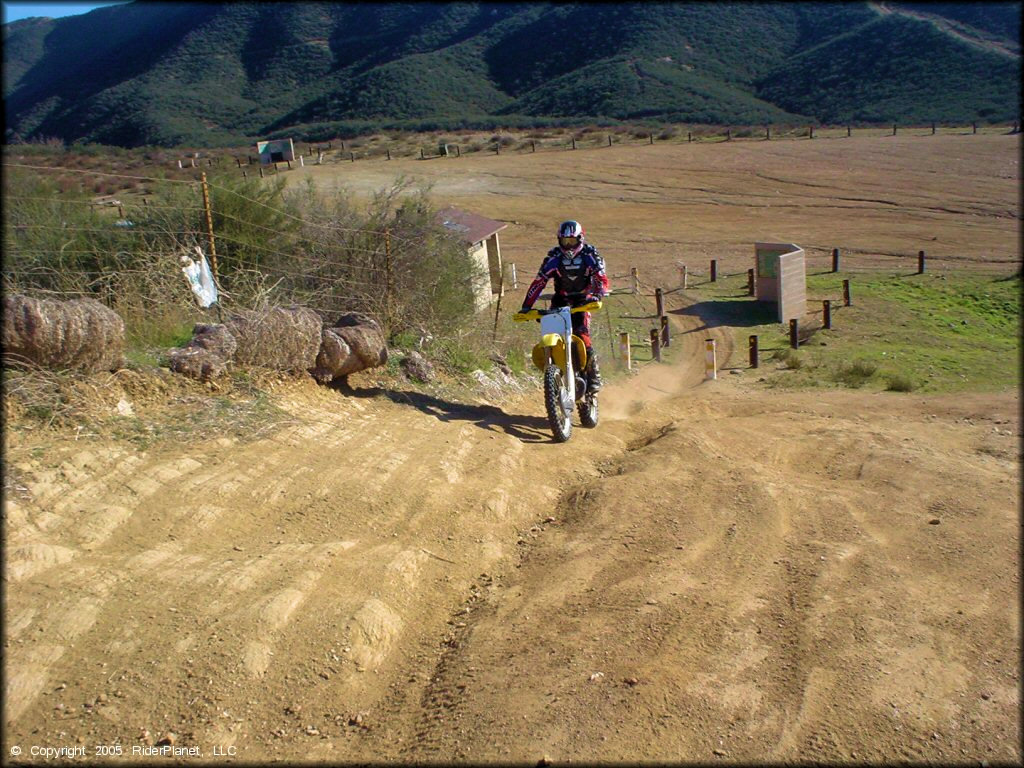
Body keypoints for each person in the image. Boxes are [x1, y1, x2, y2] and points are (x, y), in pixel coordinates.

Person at [519, 220, 609, 392]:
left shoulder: (590, 254)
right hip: (561, 300)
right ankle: (553, 373)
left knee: (582, 334)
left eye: (572, 241)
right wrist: (526, 306)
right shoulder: (554, 257)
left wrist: (597, 295)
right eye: (565, 241)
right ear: (559, 240)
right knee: (551, 333)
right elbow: (539, 282)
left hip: (584, 299)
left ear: (580, 239)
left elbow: (601, 278)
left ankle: (594, 375)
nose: (568, 246)